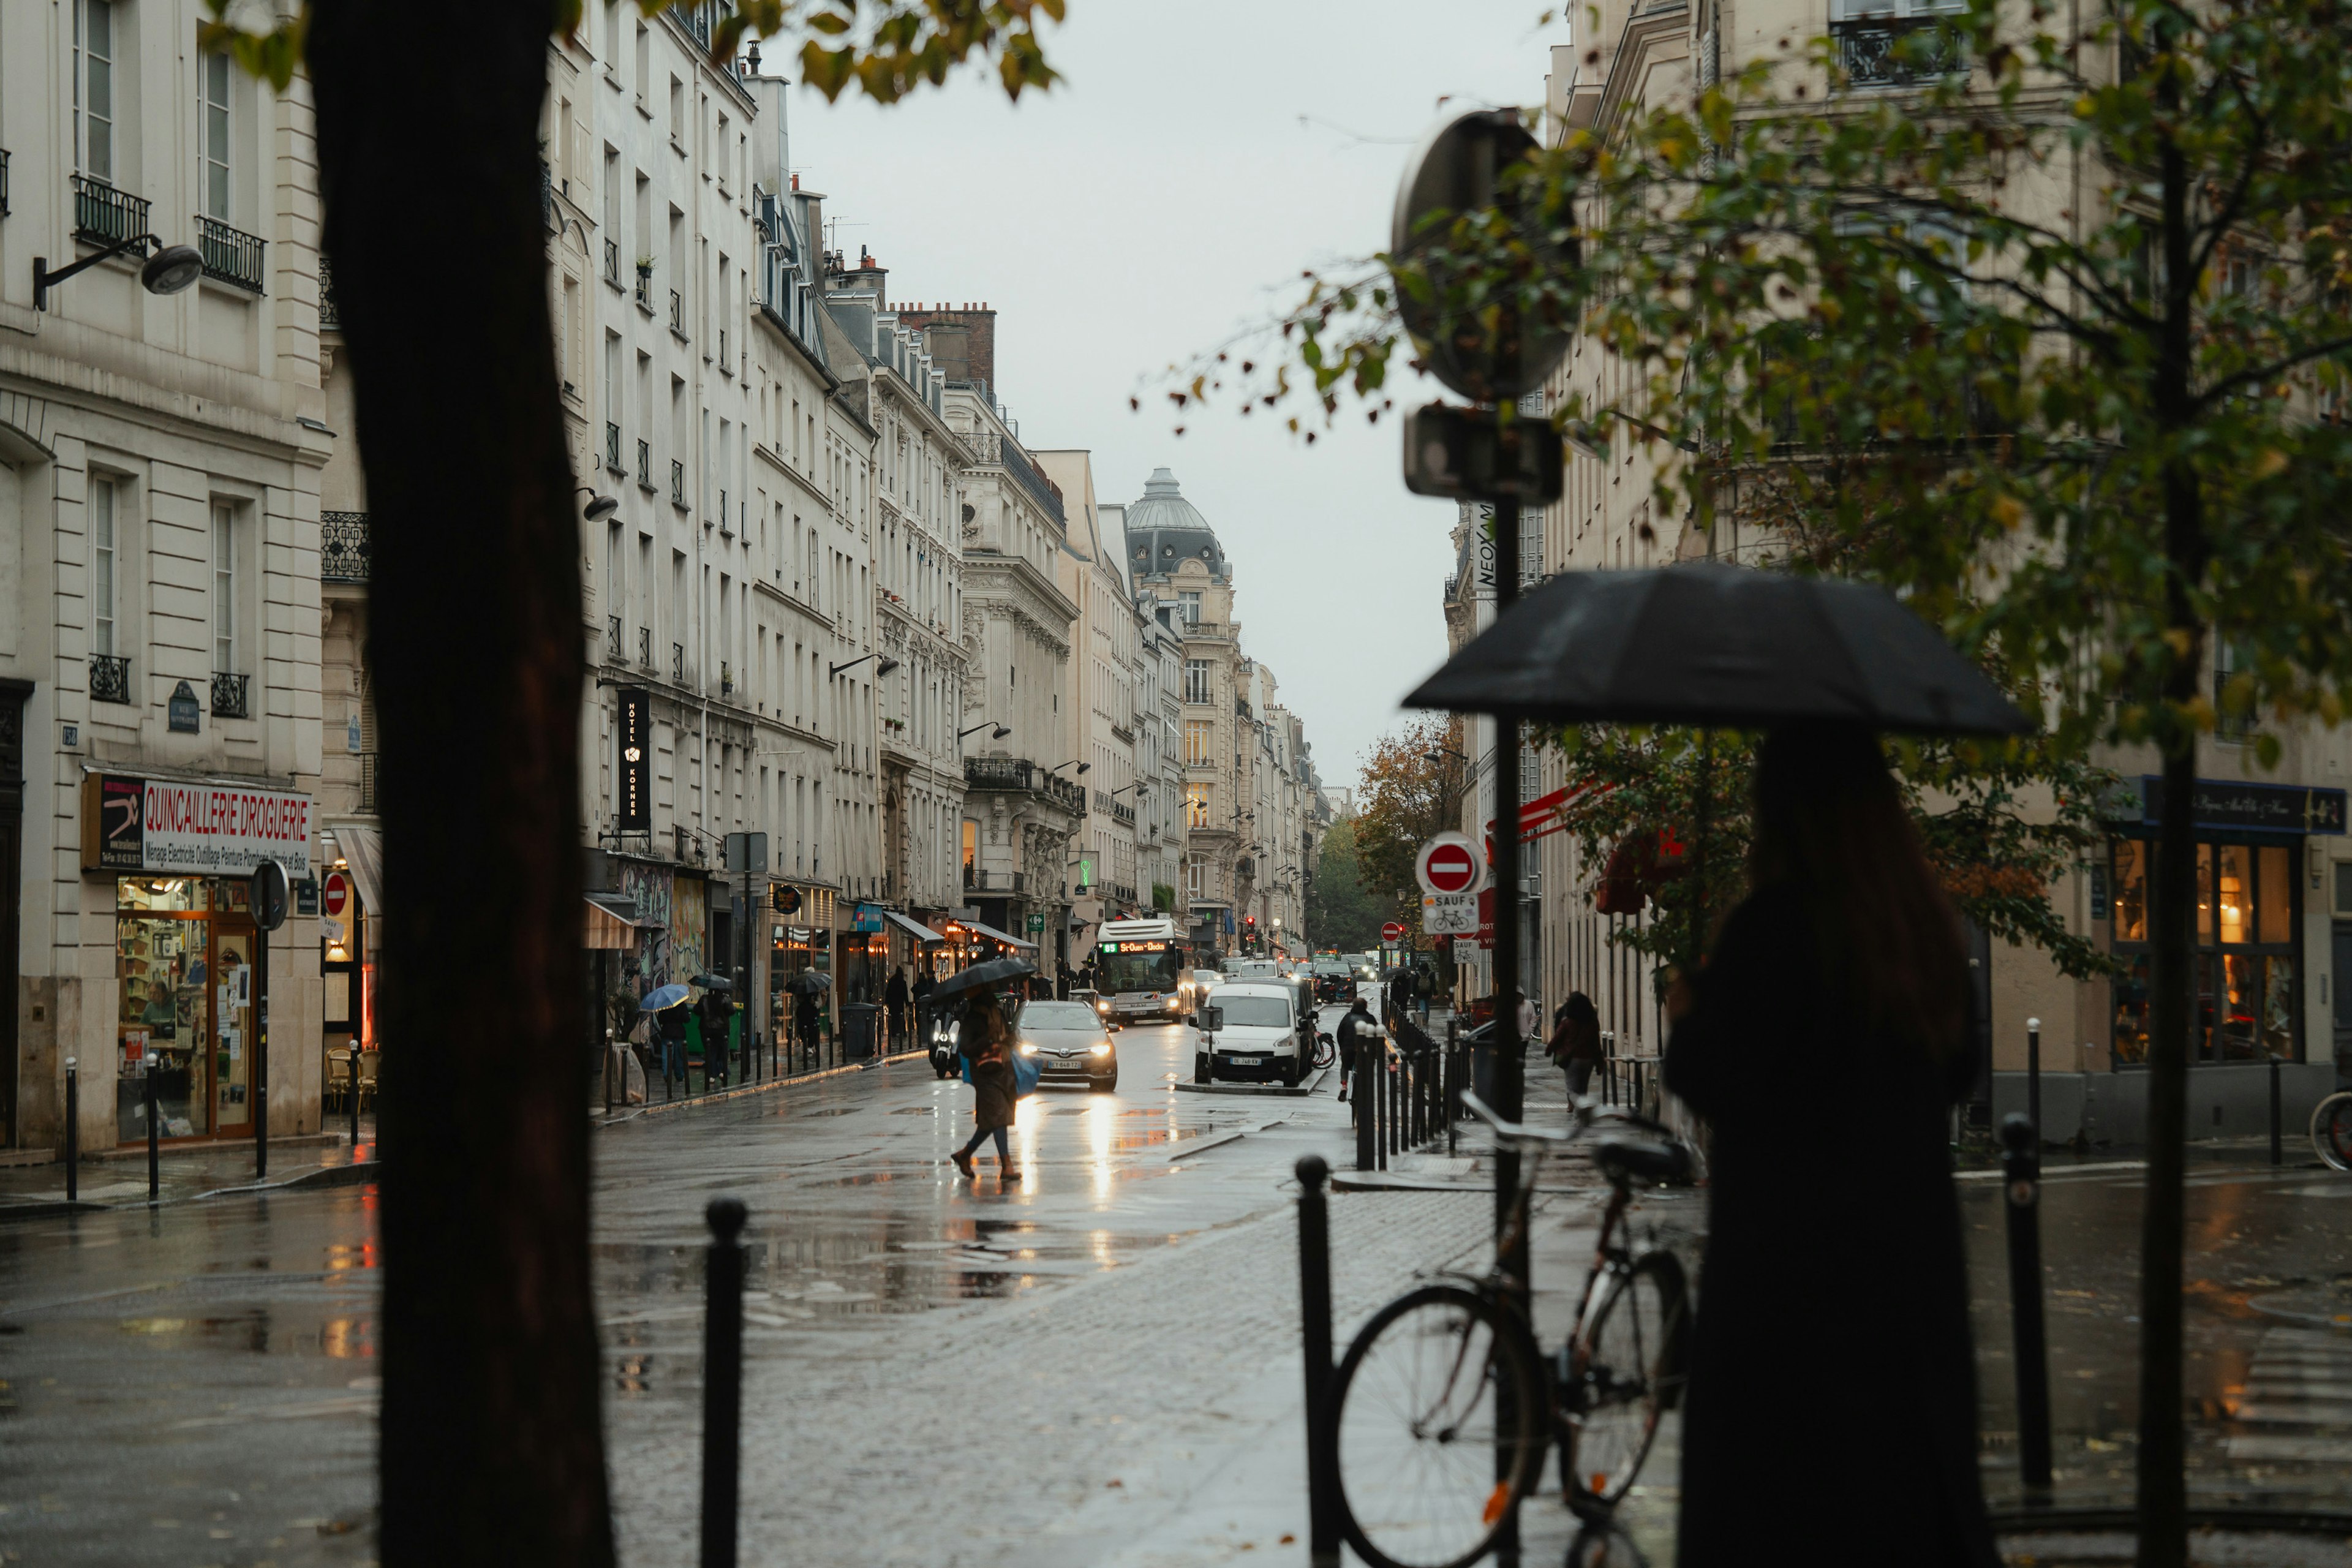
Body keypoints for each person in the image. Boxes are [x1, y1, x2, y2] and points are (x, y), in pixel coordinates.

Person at [1662, 721, 1997, 1568]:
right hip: (1905, 1279)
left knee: (1779, 1513)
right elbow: (1961, 1068)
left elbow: (1710, 1077)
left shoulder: (1772, 928)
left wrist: (1693, 1013)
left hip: (1784, 1285)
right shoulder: (1920, 933)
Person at [950, 990, 1020, 1181]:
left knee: (994, 1118)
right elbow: (965, 1047)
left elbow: (1006, 1036)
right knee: (999, 1114)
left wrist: (1009, 1038)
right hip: (985, 1073)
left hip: (1003, 1069)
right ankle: (1006, 1165)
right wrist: (987, 1040)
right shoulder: (973, 1018)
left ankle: (965, 1154)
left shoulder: (997, 1012)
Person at [1548, 992, 1602, 1098]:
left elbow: (1557, 1038)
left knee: (1572, 1089)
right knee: (1583, 1089)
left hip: (1572, 1058)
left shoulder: (1567, 1022)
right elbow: (1596, 1043)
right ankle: (1581, 1111)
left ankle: (1580, 1109)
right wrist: (1599, 1062)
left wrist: (1549, 1050)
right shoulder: (1592, 1023)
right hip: (1589, 1059)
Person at [1333, 995, 1376, 1105]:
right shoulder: (1370, 1019)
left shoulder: (1347, 1017)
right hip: (1364, 1051)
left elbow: (1339, 1033)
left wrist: (1342, 1048)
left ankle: (1344, 1085)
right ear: (1365, 1006)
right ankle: (1363, 1087)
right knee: (1366, 1069)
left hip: (1348, 1049)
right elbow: (1376, 1036)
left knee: (1345, 1066)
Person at [884, 966, 911, 1050]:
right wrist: (907, 1003)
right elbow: (905, 993)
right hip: (899, 1003)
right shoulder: (902, 982)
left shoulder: (892, 981)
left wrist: (887, 1002)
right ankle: (903, 1032)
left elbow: (888, 992)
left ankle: (893, 1032)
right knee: (901, 1017)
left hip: (893, 1003)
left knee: (893, 1018)